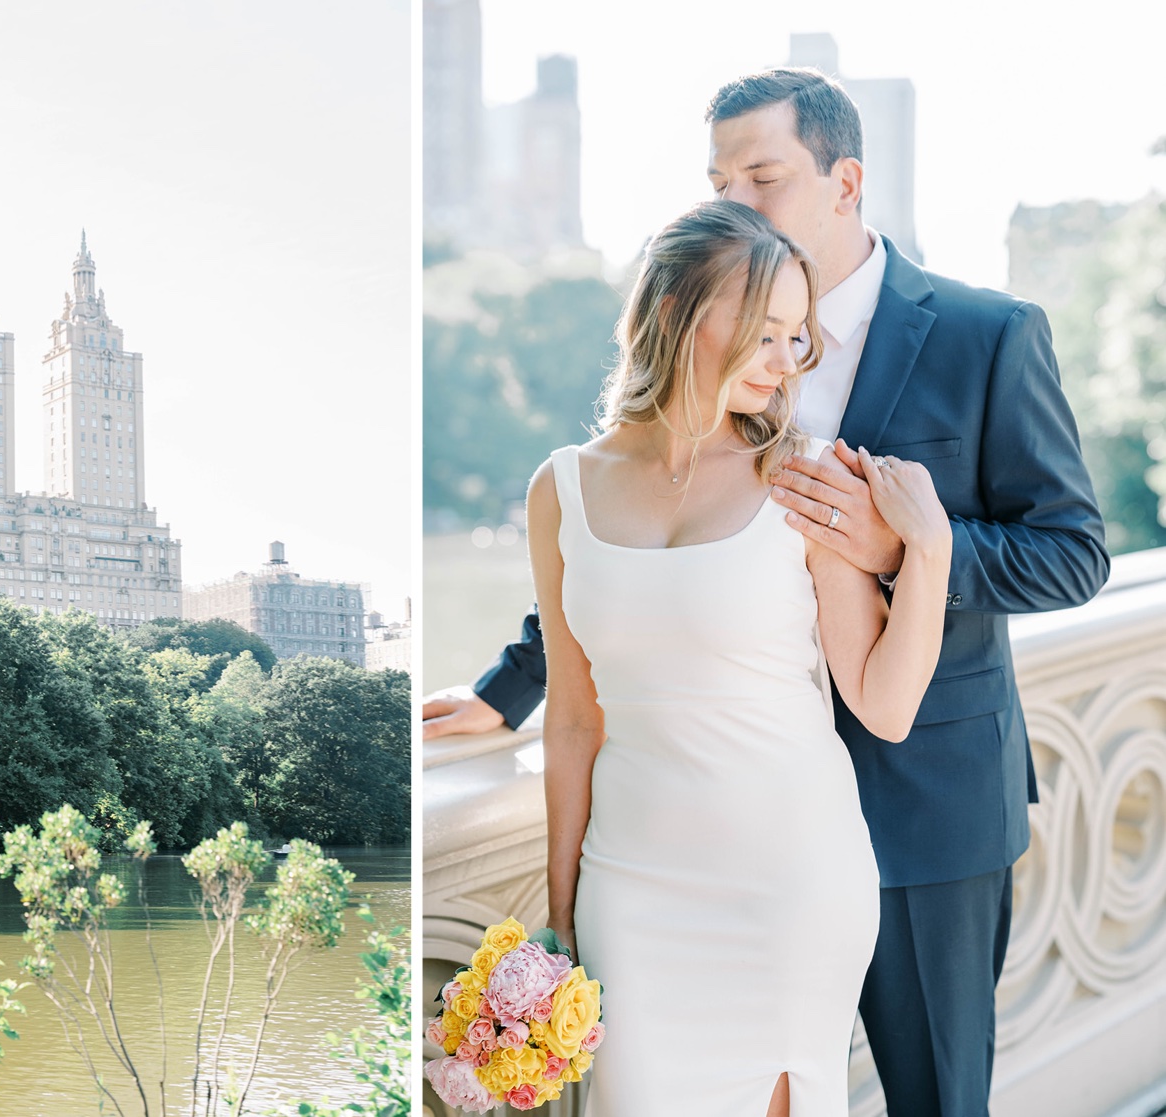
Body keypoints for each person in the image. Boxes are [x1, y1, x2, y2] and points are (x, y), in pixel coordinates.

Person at [423, 69, 1110, 1115]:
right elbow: (632, 588)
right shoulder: (583, 472)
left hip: (916, 804)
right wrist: (503, 692)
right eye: (719, 177)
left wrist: (910, 547)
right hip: (652, 857)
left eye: (764, 175)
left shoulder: (985, 335)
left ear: (846, 182)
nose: (736, 198)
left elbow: (1070, 551)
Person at [532, 197, 949, 1115]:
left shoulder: (801, 473)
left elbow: (883, 702)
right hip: (631, 889)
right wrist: (559, 915)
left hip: (788, 881)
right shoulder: (560, 489)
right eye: (767, 332)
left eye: (799, 336)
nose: (789, 360)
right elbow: (571, 717)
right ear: (681, 314)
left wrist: (933, 552)